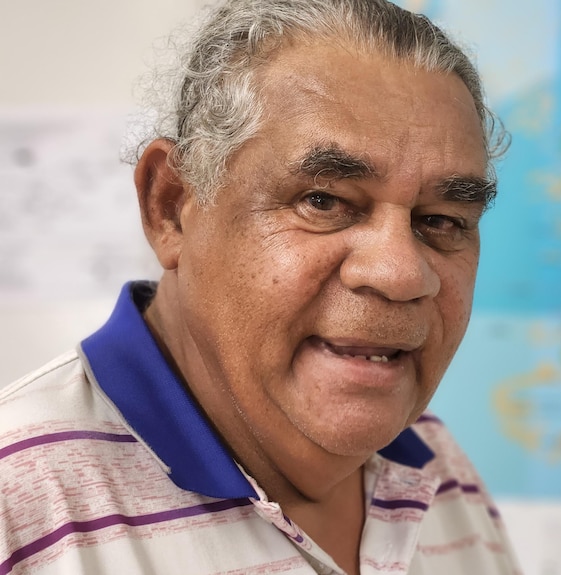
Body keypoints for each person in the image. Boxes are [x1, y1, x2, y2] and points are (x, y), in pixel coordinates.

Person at [0, 0, 519, 573]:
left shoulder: (437, 466)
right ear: (172, 207)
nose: (401, 274)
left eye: (442, 221)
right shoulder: (16, 505)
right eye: (323, 201)